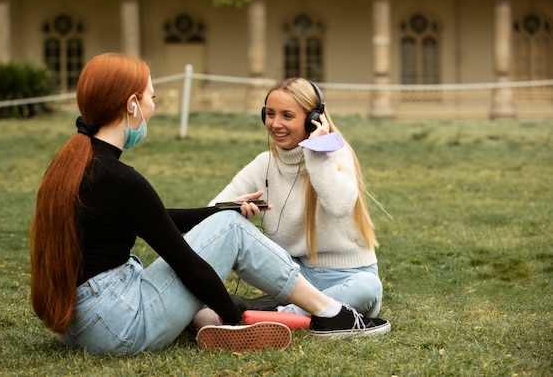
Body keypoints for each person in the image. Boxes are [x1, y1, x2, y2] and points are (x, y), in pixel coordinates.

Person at [29, 54, 390, 357]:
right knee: (229, 232)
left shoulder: (73, 163)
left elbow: (154, 218)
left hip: (78, 323)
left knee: (227, 225)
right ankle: (333, 315)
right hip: (115, 324)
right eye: (153, 97)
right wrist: (233, 315)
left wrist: (222, 210)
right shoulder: (120, 178)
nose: (155, 107)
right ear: (133, 105)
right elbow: (186, 263)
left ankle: (206, 317)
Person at [210, 78, 386, 320]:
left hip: (349, 277)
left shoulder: (336, 152)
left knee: (369, 288)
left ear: (313, 119)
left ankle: (276, 315)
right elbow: (211, 214)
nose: (275, 124)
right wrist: (234, 210)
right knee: (233, 231)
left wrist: (316, 155)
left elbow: (339, 206)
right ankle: (292, 312)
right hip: (295, 277)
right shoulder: (264, 163)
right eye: (270, 114)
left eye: (287, 115)